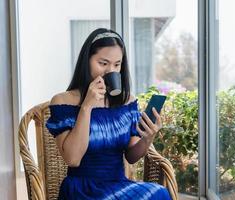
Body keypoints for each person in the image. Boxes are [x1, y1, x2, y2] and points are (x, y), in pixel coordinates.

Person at [45, 28, 172, 200]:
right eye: (103, 63)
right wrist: (87, 106)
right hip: (81, 189)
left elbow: (132, 157)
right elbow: (73, 159)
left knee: (160, 193)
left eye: (117, 65)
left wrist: (148, 137)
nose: (110, 71)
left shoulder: (127, 102)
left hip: (118, 184)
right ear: (87, 60)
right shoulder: (62, 101)